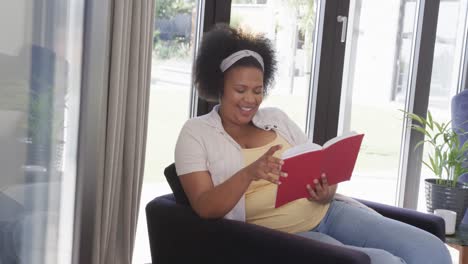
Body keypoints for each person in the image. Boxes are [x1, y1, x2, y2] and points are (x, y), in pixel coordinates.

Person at [174, 24, 451, 264]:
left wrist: (326, 189)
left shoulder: (276, 119)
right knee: (385, 262)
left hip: (330, 211)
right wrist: (250, 172)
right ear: (219, 87)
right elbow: (204, 206)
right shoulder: (197, 133)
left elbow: (315, 163)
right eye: (240, 90)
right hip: (286, 236)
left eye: (258, 91)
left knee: (431, 249)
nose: (250, 99)